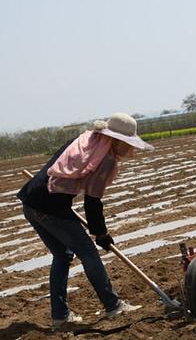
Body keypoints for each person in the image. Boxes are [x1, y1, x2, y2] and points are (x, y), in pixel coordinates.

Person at [17, 113, 154, 329]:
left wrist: (97, 230)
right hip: (50, 208)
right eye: (128, 144)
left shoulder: (83, 141)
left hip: (31, 202)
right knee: (88, 252)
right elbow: (92, 201)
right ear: (117, 140)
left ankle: (60, 317)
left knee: (62, 256)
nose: (130, 150)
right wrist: (100, 234)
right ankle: (113, 306)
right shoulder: (105, 158)